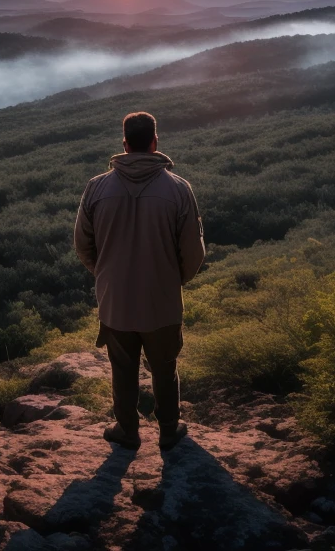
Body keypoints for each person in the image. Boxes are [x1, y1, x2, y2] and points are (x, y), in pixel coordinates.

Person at [74, 111, 205, 450]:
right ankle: (168, 431)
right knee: (164, 367)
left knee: (123, 368)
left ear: (125, 143)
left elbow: (83, 246)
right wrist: (173, 279)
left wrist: (107, 275)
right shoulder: (178, 189)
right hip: (161, 297)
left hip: (115, 298)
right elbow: (193, 251)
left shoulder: (96, 187)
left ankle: (127, 431)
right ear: (154, 142)